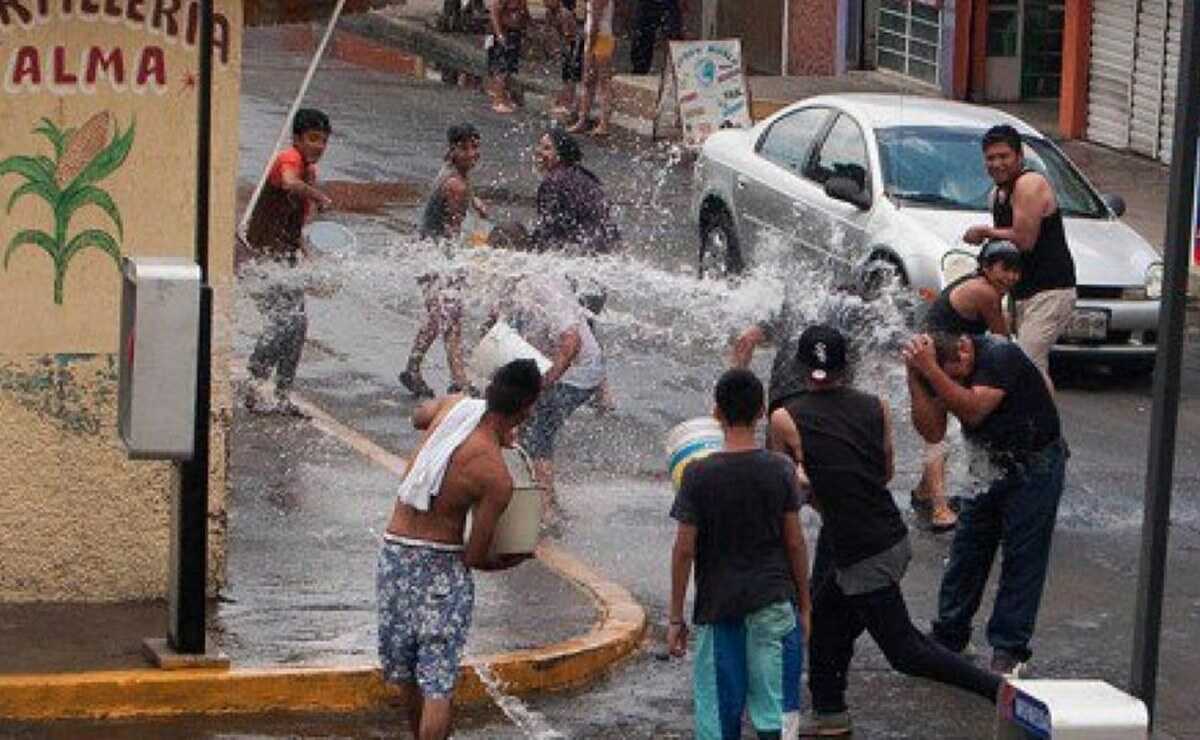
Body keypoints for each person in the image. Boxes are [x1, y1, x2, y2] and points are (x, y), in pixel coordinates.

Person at [770, 326, 1001, 736]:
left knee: (904, 651)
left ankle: (997, 692)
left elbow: (784, 492)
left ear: (801, 368)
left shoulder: (784, 417)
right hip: (885, 535)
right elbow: (884, 472)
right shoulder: (875, 406)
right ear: (847, 367)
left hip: (863, 551)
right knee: (826, 622)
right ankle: (829, 715)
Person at [377, 359, 541, 740]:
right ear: (525, 411)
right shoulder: (495, 475)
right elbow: (474, 556)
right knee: (437, 683)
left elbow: (420, 415)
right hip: (440, 565)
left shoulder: (453, 407)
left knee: (407, 673)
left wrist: (435, 425)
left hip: (394, 555)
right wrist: (512, 560)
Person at [903, 330, 1068, 678]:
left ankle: (1009, 648)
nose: (952, 385)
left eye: (956, 376)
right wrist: (915, 377)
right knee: (968, 549)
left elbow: (974, 411)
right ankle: (950, 634)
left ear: (964, 349)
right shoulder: (936, 368)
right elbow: (932, 431)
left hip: (1035, 462)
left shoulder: (998, 356)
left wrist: (932, 372)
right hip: (988, 462)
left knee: (1023, 556)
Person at [667, 368, 810, 740]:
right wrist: (805, 605)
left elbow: (684, 551)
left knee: (718, 717)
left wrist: (675, 618)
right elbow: (795, 542)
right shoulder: (780, 469)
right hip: (774, 606)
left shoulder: (698, 475)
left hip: (719, 611)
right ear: (762, 411)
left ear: (716, 413)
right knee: (775, 715)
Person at [911, 240, 1022, 531]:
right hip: (935, 359)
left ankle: (925, 491)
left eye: (1016, 271)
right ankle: (940, 509)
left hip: (922, 352)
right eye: (1005, 270)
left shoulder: (977, 283)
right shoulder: (984, 292)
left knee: (936, 430)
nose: (1011, 277)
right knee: (937, 435)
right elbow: (1001, 339)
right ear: (986, 268)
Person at [963, 124, 1077, 384]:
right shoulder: (998, 194)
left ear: (1019, 157)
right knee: (1017, 362)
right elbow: (1008, 250)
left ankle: (1044, 423)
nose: (997, 163)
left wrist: (985, 231)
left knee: (1029, 364)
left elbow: (1024, 240)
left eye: (1004, 156)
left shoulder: (1029, 184)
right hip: (1022, 293)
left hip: (1050, 291)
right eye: (991, 158)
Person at [489, 272, 606, 522]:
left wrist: (542, 385)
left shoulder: (543, 285)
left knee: (537, 435)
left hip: (574, 376)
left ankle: (546, 512)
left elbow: (572, 341)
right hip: (569, 370)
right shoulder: (516, 283)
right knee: (536, 434)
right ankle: (548, 501)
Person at [241, 108, 335, 417]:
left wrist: (311, 258)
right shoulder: (290, 159)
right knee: (282, 322)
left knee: (297, 325)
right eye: (312, 139)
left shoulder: (311, 172)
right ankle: (255, 385)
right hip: (259, 258)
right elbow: (288, 182)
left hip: (285, 260)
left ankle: (282, 394)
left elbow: (297, 228)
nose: (318, 146)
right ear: (297, 138)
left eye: (323, 140)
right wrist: (319, 197)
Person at [401, 124, 489, 399]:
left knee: (443, 316)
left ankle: (420, 369)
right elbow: (452, 233)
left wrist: (474, 200)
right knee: (447, 315)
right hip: (434, 256)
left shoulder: (455, 172)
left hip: (425, 250)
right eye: (465, 148)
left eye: (475, 146)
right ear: (453, 150)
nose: (472, 153)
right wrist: (462, 264)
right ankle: (455, 379)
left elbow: (463, 190)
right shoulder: (455, 185)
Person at [529, 128, 620, 253]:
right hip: (606, 244)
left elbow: (549, 229)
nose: (538, 151)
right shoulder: (584, 176)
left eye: (547, 148)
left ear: (560, 155)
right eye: (540, 145)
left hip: (582, 250)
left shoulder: (553, 182)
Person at [568, 0, 615, 137]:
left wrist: (589, 47)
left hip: (600, 39)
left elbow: (595, 21)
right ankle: (583, 119)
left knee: (602, 81)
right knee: (588, 81)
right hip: (596, 37)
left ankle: (604, 123)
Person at [487, 0, 530, 114]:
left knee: (510, 68)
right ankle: (498, 100)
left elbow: (525, 15)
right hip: (501, 33)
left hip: (514, 33)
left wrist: (526, 32)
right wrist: (499, 34)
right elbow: (494, 14)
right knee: (501, 68)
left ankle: (505, 97)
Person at [546, 0, 583, 119]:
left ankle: (569, 102)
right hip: (564, 43)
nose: (546, 3)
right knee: (565, 75)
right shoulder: (550, 13)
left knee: (571, 74)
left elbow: (568, 36)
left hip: (574, 44)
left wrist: (562, 51)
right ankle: (565, 99)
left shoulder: (564, 14)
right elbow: (550, 30)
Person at [629, 0, 683, 74]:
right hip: (647, 5)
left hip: (669, 3)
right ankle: (640, 69)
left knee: (673, 34)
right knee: (642, 35)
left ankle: (679, 68)